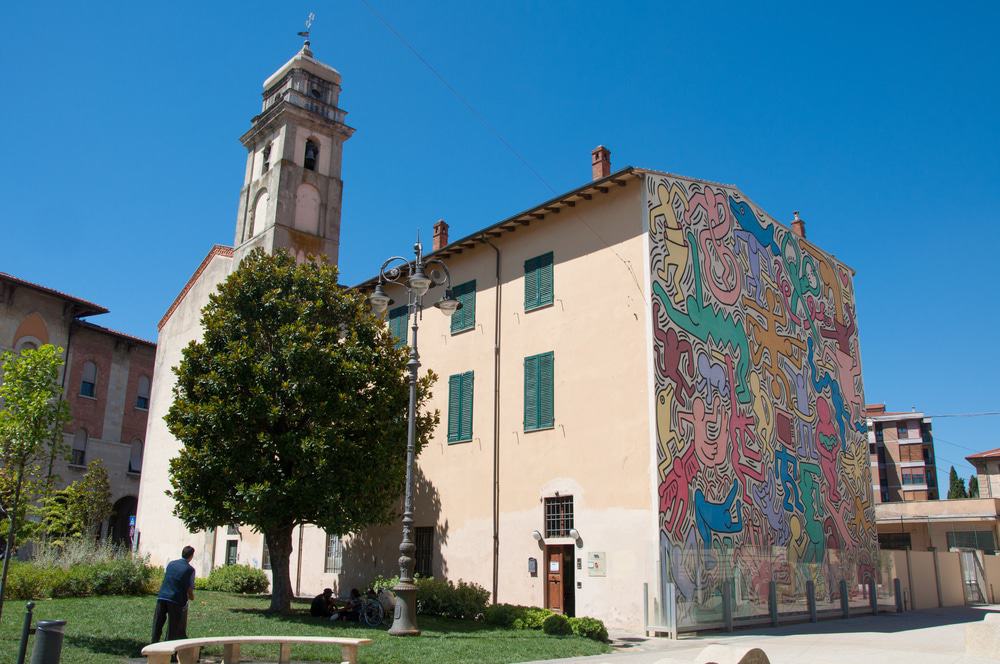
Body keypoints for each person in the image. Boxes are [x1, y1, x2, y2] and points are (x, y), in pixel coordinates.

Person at [152, 545, 196, 643]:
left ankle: (153, 645)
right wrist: (192, 597)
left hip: (162, 596)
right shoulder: (190, 570)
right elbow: (189, 588)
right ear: (191, 556)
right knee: (173, 627)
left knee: (157, 623)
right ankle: (169, 651)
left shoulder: (171, 564)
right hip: (175, 599)